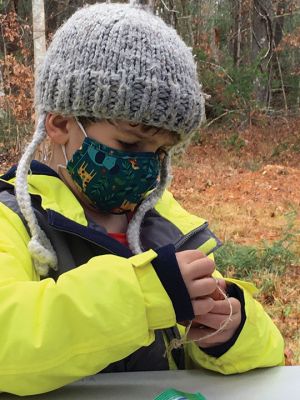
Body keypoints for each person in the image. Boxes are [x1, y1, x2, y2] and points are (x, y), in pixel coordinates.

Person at [0, 1, 284, 396]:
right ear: (61, 123)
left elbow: (267, 352)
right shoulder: (11, 217)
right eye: (130, 144)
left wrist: (230, 329)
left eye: (160, 152)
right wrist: (146, 294)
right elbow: (7, 342)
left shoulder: (165, 224)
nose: (145, 167)